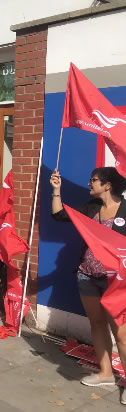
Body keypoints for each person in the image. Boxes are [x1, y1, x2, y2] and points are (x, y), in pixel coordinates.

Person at [51, 166, 126, 403]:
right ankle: (105, 372)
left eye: (93, 180)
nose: (89, 183)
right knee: (96, 324)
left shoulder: (125, 208)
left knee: (122, 334)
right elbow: (59, 215)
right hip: (87, 276)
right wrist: (56, 190)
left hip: (116, 281)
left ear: (108, 185)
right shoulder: (91, 207)